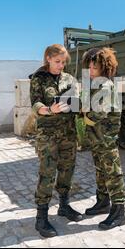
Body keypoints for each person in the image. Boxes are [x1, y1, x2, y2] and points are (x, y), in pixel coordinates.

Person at [29, 44, 82, 238]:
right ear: (48, 59)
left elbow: (77, 99)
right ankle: (41, 217)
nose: (61, 65)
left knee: (67, 170)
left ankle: (64, 206)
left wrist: (78, 105)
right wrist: (51, 109)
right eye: (58, 61)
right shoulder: (38, 79)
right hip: (48, 135)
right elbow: (35, 105)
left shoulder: (70, 79)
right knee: (47, 173)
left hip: (68, 133)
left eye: (63, 62)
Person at [82, 47, 125, 230]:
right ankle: (102, 203)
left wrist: (86, 116)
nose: (90, 71)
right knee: (101, 171)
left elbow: (97, 113)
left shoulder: (105, 86)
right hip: (97, 138)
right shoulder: (96, 84)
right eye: (89, 68)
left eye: (94, 68)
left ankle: (119, 212)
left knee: (112, 173)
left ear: (103, 68)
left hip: (105, 138)